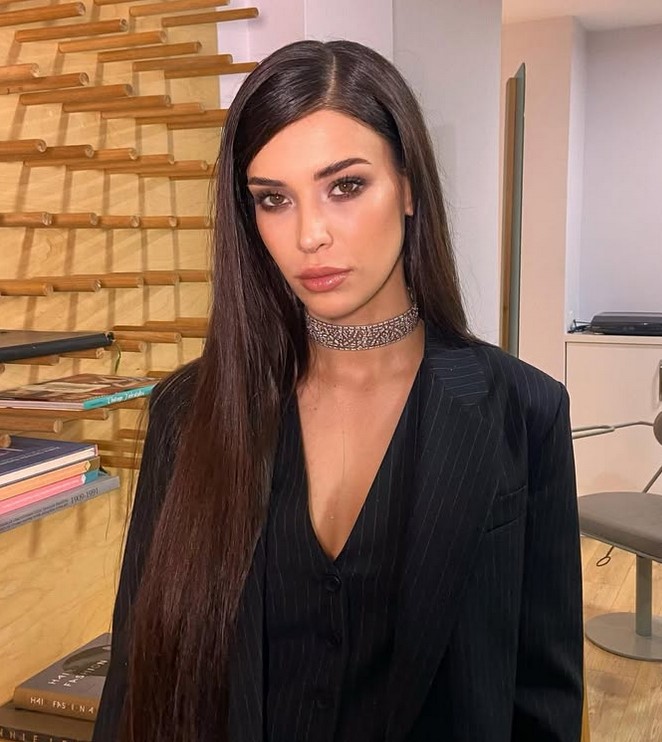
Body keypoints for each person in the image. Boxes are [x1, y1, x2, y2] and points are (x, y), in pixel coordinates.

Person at [93, 39, 584, 742]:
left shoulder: (525, 412)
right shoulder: (189, 412)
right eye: (273, 199)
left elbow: (542, 699)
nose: (309, 235)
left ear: (408, 186)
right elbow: (137, 686)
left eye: (345, 186)